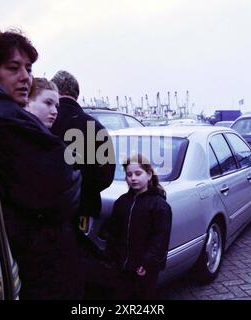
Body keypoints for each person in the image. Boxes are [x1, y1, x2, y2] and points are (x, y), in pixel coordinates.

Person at [0, 25, 82, 299]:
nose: (25, 77)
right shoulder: (6, 119)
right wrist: (72, 174)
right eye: (13, 68)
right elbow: (60, 190)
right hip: (41, 260)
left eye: (29, 69)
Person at [50, 70, 116, 250]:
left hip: (48, 211)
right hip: (85, 209)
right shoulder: (96, 128)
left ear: (54, 91)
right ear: (77, 94)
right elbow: (106, 176)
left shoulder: (43, 122)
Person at [101, 154, 172, 299]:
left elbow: (160, 240)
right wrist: (111, 256)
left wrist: (146, 263)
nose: (133, 178)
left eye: (138, 173)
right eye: (129, 174)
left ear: (149, 175)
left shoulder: (159, 206)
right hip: (122, 266)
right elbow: (114, 232)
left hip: (145, 268)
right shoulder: (122, 202)